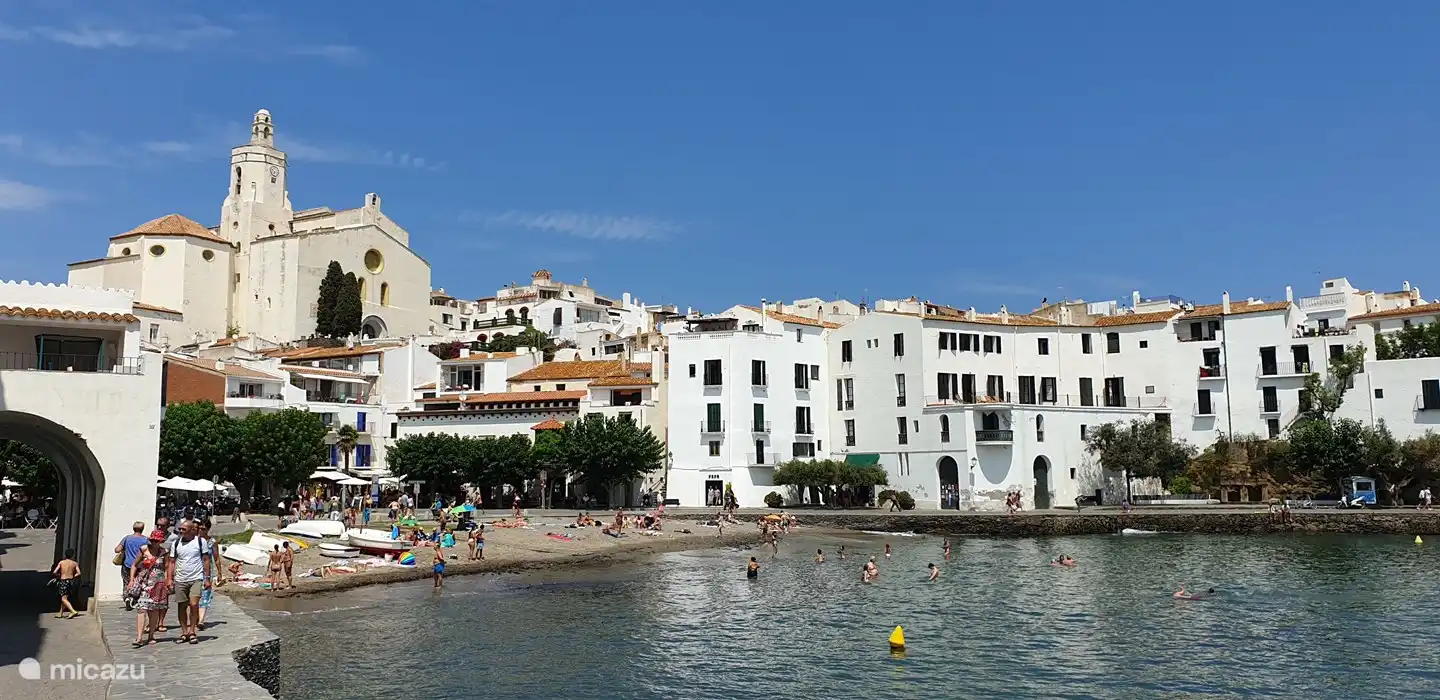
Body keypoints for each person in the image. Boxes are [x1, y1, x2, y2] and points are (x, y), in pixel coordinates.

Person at [166, 519, 212, 644]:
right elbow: (171, 561)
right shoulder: (176, 544)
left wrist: (207, 578)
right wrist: (169, 579)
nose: (181, 531)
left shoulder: (200, 541)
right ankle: (184, 632)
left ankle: (192, 631)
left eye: (184, 529)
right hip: (180, 579)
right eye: (180, 529)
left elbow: (206, 559)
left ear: (192, 530)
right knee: (181, 607)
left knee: (193, 604)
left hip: (196, 578)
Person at [129, 529, 170, 647]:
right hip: (145, 584)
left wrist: (168, 581)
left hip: (158, 585)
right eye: (153, 540)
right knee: (142, 609)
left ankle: (151, 635)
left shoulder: (164, 552)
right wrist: (132, 579)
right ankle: (139, 637)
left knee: (154, 610)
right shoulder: (143, 550)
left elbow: (167, 568)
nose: (154, 542)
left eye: (157, 541)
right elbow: (134, 565)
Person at [115, 521, 148, 611]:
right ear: (142, 529)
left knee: (126, 582)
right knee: (138, 582)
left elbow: (117, 550)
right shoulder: (145, 540)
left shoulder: (127, 538)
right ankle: (135, 599)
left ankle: (127, 598)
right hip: (139, 565)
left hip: (127, 564)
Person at [196, 521, 219, 631]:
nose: (201, 531)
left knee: (205, 595)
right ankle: (195, 617)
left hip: (207, 572)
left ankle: (201, 620)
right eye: (199, 528)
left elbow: (216, 558)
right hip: (194, 571)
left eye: (203, 529)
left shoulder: (212, 542)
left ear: (208, 529)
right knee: (194, 596)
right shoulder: (194, 541)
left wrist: (220, 573)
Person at [52, 548, 82, 619]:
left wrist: (59, 575)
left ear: (65, 555)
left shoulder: (62, 562)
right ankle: (60, 613)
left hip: (63, 581)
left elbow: (54, 572)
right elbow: (79, 573)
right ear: (72, 555)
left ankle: (73, 611)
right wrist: (73, 576)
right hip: (71, 581)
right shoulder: (74, 563)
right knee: (65, 597)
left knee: (63, 598)